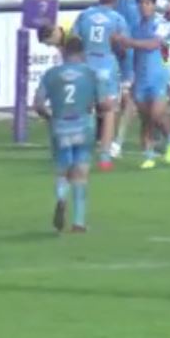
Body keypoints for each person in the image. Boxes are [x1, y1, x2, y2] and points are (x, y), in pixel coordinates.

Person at [33, 37, 110, 233]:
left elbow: (38, 104)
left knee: (63, 170)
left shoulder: (51, 74)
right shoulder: (91, 74)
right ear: (82, 53)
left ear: (64, 52)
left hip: (60, 126)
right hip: (84, 126)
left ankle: (61, 197)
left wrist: (50, 117)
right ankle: (78, 222)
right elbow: (103, 104)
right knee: (81, 173)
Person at [112, 0, 170, 159]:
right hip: (132, 57)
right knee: (139, 107)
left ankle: (119, 142)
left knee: (143, 108)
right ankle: (149, 144)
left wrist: (160, 24)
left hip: (148, 58)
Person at [71, 0, 128, 171]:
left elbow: (73, 41)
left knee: (86, 110)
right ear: (115, 0)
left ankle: (80, 154)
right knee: (109, 110)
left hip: (86, 65)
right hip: (107, 67)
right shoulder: (117, 19)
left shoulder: (84, 16)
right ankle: (104, 157)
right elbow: (123, 46)